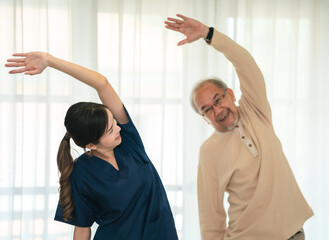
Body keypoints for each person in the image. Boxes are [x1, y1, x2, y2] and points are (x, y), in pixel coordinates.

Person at [165, 14, 313, 240]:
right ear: (205, 118)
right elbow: (210, 215)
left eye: (218, 99)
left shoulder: (256, 111)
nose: (217, 110)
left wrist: (208, 34)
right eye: (207, 110)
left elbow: (245, 63)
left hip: (293, 234)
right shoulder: (209, 151)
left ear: (231, 94)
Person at [5, 52, 178, 240]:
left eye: (114, 122)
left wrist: (51, 60)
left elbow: (101, 83)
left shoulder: (129, 142)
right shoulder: (81, 173)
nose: (119, 128)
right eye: (111, 130)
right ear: (91, 145)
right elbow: (82, 227)